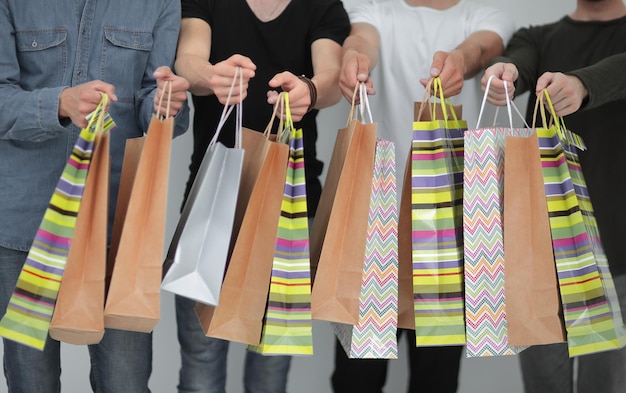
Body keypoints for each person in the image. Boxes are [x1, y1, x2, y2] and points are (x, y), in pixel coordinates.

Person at [0, 1, 189, 392]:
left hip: (118, 229)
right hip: (24, 227)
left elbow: (155, 99)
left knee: (126, 381)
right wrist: (59, 104)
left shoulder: (159, 3)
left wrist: (165, 106)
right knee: (30, 380)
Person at [335, 0, 514, 392]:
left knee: (436, 377)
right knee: (355, 377)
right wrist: (353, 58)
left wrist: (460, 61)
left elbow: (481, 48)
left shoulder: (483, 13)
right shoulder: (374, 7)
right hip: (375, 220)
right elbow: (363, 38)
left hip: (448, 226)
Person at [173, 0, 350, 392]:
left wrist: (310, 89)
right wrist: (211, 75)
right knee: (202, 358)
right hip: (212, 200)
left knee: (270, 363)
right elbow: (188, 57)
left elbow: (332, 75)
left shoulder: (321, 5)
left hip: (288, 205)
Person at [482, 0, 626, 392]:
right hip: (539, 253)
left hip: (617, 252)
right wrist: (504, 73)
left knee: (606, 384)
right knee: (544, 384)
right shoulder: (538, 37)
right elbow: (519, 61)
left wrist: (580, 85)